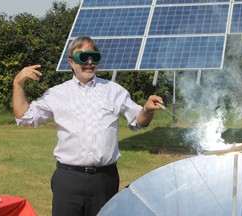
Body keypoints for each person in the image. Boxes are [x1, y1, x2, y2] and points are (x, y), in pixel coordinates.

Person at [12, 36, 163, 216]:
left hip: (104, 179)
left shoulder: (114, 91)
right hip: (68, 179)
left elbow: (138, 121)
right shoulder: (57, 93)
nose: (89, 62)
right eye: (83, 58)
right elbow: (25, 117)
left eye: (94, 57)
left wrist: (147, 109)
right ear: (71, 62)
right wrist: (18, 84)